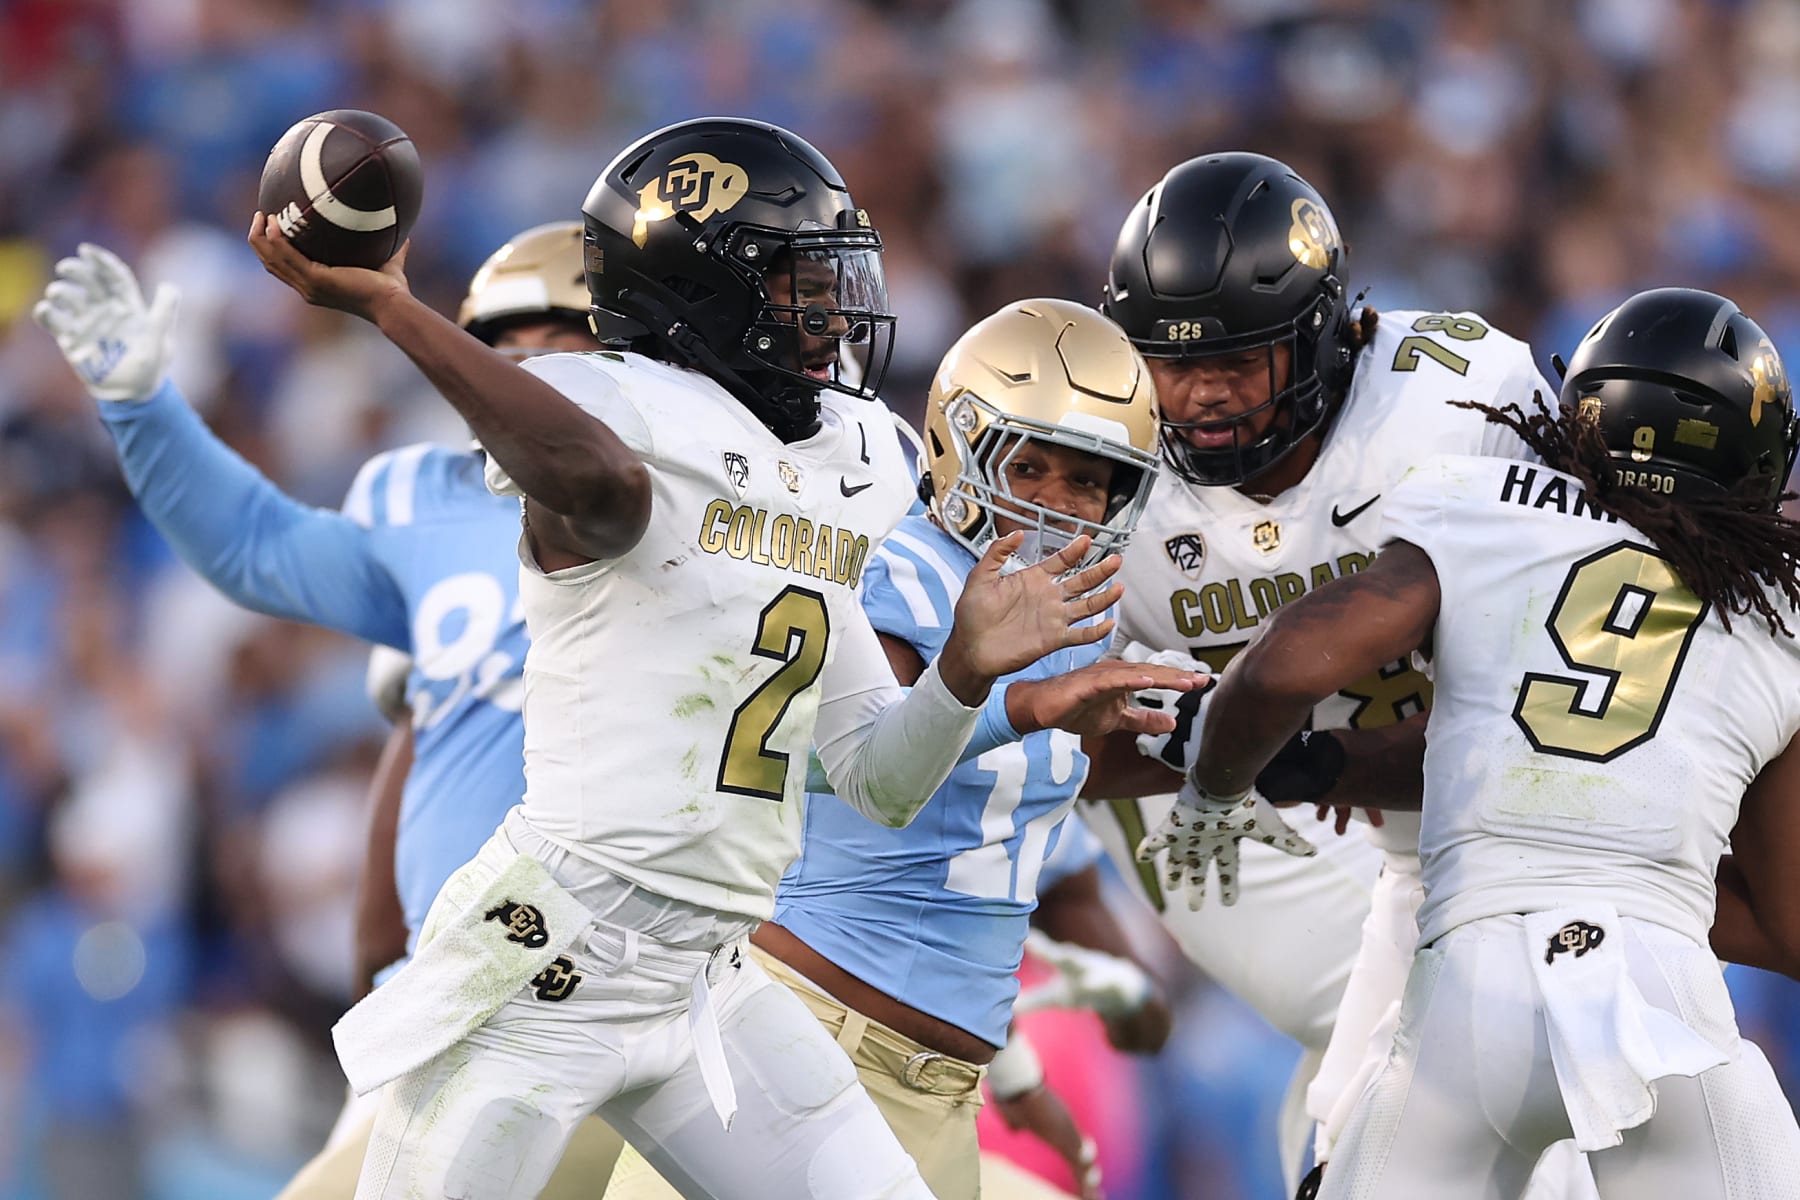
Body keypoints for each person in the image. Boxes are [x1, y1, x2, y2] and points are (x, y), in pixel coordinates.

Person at [239, 116, 1200, 1199]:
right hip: (555, 949)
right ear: (700, 287)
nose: (833, 312)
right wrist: (390, 307)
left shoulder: (855, 454)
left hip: (710, 971)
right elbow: (602, 485)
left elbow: (878, 778)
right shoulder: (610, 406)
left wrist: (966, 674)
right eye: (800, 282)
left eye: (835, 278)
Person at [32, 222, 633, 1197]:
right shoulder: (428, 502)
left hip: (630, 975)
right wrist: (143, 406)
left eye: (563, 343)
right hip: (459, 983)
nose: (527, 371)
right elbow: (259, 546)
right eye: (504, 347)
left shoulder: (693, 513)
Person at [1186, 286, 1800, 1199]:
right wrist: (1637, 884)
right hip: (1661, 1003)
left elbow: (1284, 670)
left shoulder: (1479, 501)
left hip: (1463, 1001)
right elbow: (1789, 924)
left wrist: (1216, 779)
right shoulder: (1780, 611)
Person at [1076, 150, 1596, 1196]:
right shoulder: (1097, 456)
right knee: (1420, 1021)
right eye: (1170, 363)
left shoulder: (1460, 399)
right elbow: (1061, 747)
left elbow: (1560, 683)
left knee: (1459, 1035)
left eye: (1238, 359)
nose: (1202, 395)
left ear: (1322, 334)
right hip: (1209, 799)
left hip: (1439, 779)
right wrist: (1204, 745)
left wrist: (1335, 758)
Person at [599, 295, 1177, 1200]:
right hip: (802, 1039)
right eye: (1029, 467)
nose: (1057, 504)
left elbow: (973, 874)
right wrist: (1018, 704)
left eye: (1088, 481)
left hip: (940, 1088)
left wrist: (1017, 1075)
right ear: (960, 447)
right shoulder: (901, 569)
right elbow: (838, 763)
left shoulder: (1079, 622)